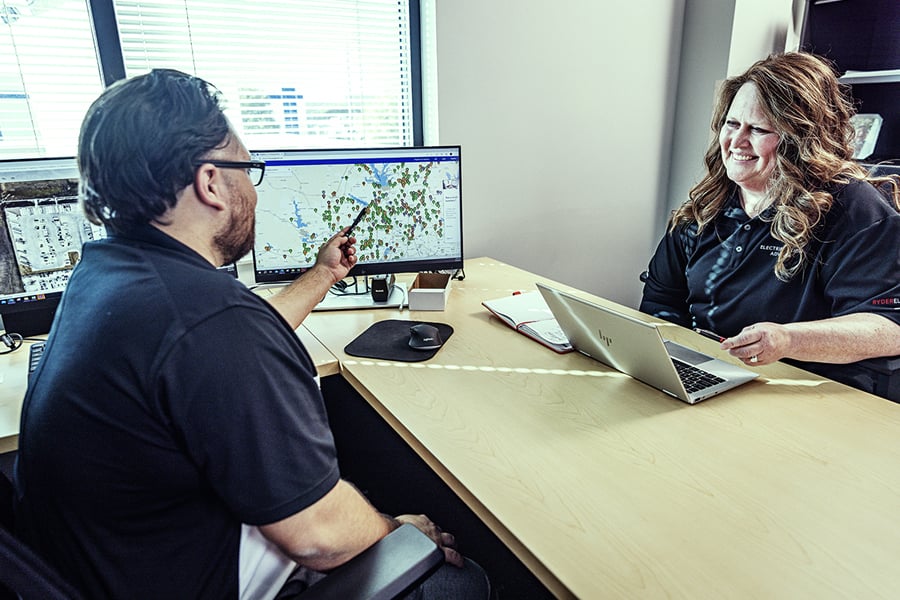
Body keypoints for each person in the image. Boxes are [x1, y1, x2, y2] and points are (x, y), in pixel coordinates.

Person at [13, 69, 489, 599]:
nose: (253, 193)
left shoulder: (109, 278)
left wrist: (322, 275)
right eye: (248, 169)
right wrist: (399, 531)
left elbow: (221, 339)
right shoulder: (209, 321)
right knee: (461, 582)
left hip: (126, 563)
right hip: (205, 579)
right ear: (210, 182)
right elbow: (320, 537)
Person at [640, 52, 900, 395]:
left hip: (808, 391)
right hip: (715, 378)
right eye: (732, 124)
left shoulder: (855, 209)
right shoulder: (707, 204)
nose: (736, 142)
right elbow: (660, 301)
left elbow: (889, 328)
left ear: (802, 139)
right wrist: (669, 361)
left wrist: (787, 339)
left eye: (758, 129)